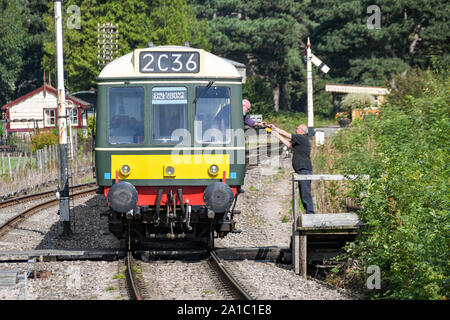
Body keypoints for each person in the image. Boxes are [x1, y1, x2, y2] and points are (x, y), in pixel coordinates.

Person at [268, 123, 315, 214]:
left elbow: (287, 134)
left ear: (301, 130)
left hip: (304, 169)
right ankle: (309, 212)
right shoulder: (300, 141)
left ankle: (310, 213)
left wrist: (276, 128)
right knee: (303, 193)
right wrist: (277, 135)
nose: (296, 130)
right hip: (302, 170)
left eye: (297, 129)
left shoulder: (302, 138)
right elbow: (289, 145)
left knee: (305, 193)